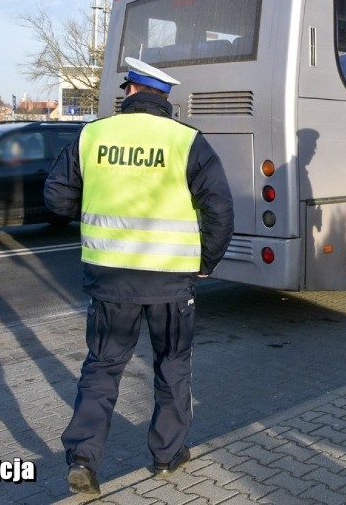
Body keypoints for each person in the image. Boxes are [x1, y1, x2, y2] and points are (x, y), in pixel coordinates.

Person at [44, 57, 234, 495]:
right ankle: (167, 456)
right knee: (172, 365)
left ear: (129, 91)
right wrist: (208, 262)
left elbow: (56, 198)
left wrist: (90, 212)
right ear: (164, 98)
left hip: (109, 281)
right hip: (170, 281)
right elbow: (220, 210)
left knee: (103, 367)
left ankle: (84, 459)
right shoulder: (187, 141)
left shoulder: (92, 134)